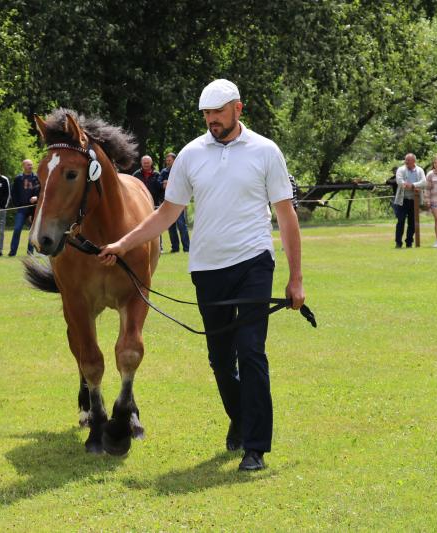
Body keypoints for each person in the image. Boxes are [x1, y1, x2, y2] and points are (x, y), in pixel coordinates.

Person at [98, 79, 305, 472]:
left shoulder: (266, 151)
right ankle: (241, 419)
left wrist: (296, 278)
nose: (212, 120)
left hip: (254, 262)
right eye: (207, 114)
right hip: (208, 268)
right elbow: (166, 213)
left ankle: (255, 447)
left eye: (218, 112)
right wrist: (123, 244)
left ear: (238, 109)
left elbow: (285, 215)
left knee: (251, 352)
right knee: (220, 360)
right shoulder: (191, 155)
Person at [393, 153, 426, 248]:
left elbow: (424, 182)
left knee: (412, 222)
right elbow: (399, 181)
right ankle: (398, 242)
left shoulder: (420, 170)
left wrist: (413, 185)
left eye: (408, 160)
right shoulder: (401, 169)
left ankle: (409, 242)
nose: (406, 161)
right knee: (401, 221)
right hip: (402, 200)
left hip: (414, 201)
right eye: (405, 160)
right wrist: (406, 184)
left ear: (414, 161)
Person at [160, 152, 191, 253]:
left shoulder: (180, 171)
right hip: (168, 202)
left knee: (181, 225)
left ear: (175, 160)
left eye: (170, 160)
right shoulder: (164, 172)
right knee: (171, 226)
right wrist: (163, 183)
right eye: (167, 160)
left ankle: (187, 248)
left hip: (179, 202)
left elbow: (185, 184)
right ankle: (175, 248)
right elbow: (159, 183)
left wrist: (168, 183)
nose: (168, 162)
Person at [8, 159, 39, 256]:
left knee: (32, 231)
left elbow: (41, 191)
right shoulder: (18, 178)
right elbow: (13, 193)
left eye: (31, 165)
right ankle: (12, 252)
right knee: (17, 229)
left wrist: (36, 197)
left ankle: (30, 252)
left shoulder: (37, 178)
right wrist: (17, 204)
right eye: (28, 165)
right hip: (21, 209)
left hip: (33, 209)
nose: (30, 166)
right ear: (23, 166)